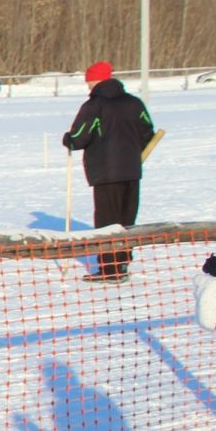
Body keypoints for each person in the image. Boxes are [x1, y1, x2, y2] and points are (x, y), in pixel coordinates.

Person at [62, 61, 155, 280]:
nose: (88, 86)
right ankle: (122, 264)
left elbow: (79, 137)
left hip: (105, 173)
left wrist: (68, 140)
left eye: (89, 81)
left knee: (107, 222)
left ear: (97, 80)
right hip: (132, 170)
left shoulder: (94, 106)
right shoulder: (135, 103)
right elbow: (147, 132)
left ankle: (109, 269)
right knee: (126, 221)